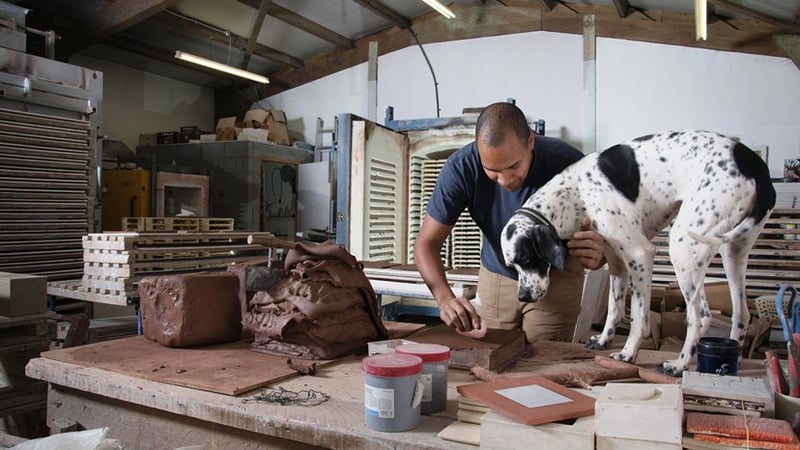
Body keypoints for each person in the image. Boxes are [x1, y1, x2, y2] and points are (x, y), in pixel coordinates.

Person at [414, 102, 606, 343]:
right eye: (492, 170)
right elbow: (426, 243)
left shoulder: (570, 165)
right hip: (498, 273)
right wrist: (444, 299)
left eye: (514, 166)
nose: (504, 180)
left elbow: (609, 239)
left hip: (556, 276)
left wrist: (600, 255)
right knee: (491, 355)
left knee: (543, 363)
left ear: (530, 142)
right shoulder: (461, 168)